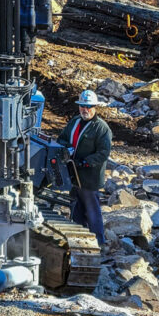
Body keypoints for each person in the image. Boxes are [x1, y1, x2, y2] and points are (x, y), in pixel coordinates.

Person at [56, 89, 112, 245]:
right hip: (73, 173)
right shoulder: (74, 122)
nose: (85, 110)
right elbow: (62, 139)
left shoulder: (101, 128)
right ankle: (79, 240)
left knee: (92, 210)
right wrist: (66, 149)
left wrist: (85, 161)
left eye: (88, 107)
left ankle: (98, 242)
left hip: (89, 177)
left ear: (95, 107)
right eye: (82, 106)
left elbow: (103, 153)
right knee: (76, 208)